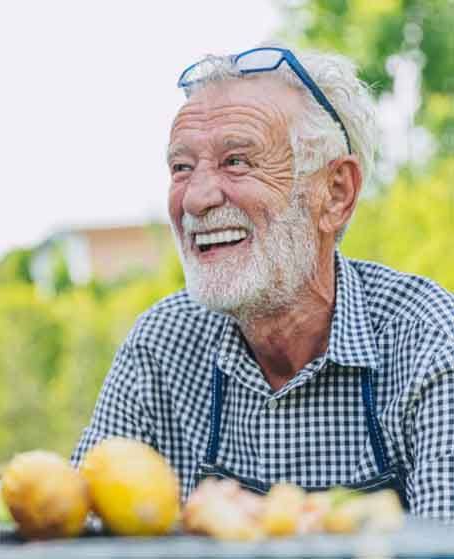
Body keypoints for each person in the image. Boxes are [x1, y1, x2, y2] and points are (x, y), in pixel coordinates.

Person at [71, 43, 454, 521]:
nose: (196, 199)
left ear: (335, 193)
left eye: (236, 161)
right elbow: (78, 527)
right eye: (182, 168)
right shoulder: (161, 345)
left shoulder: (426, 340)